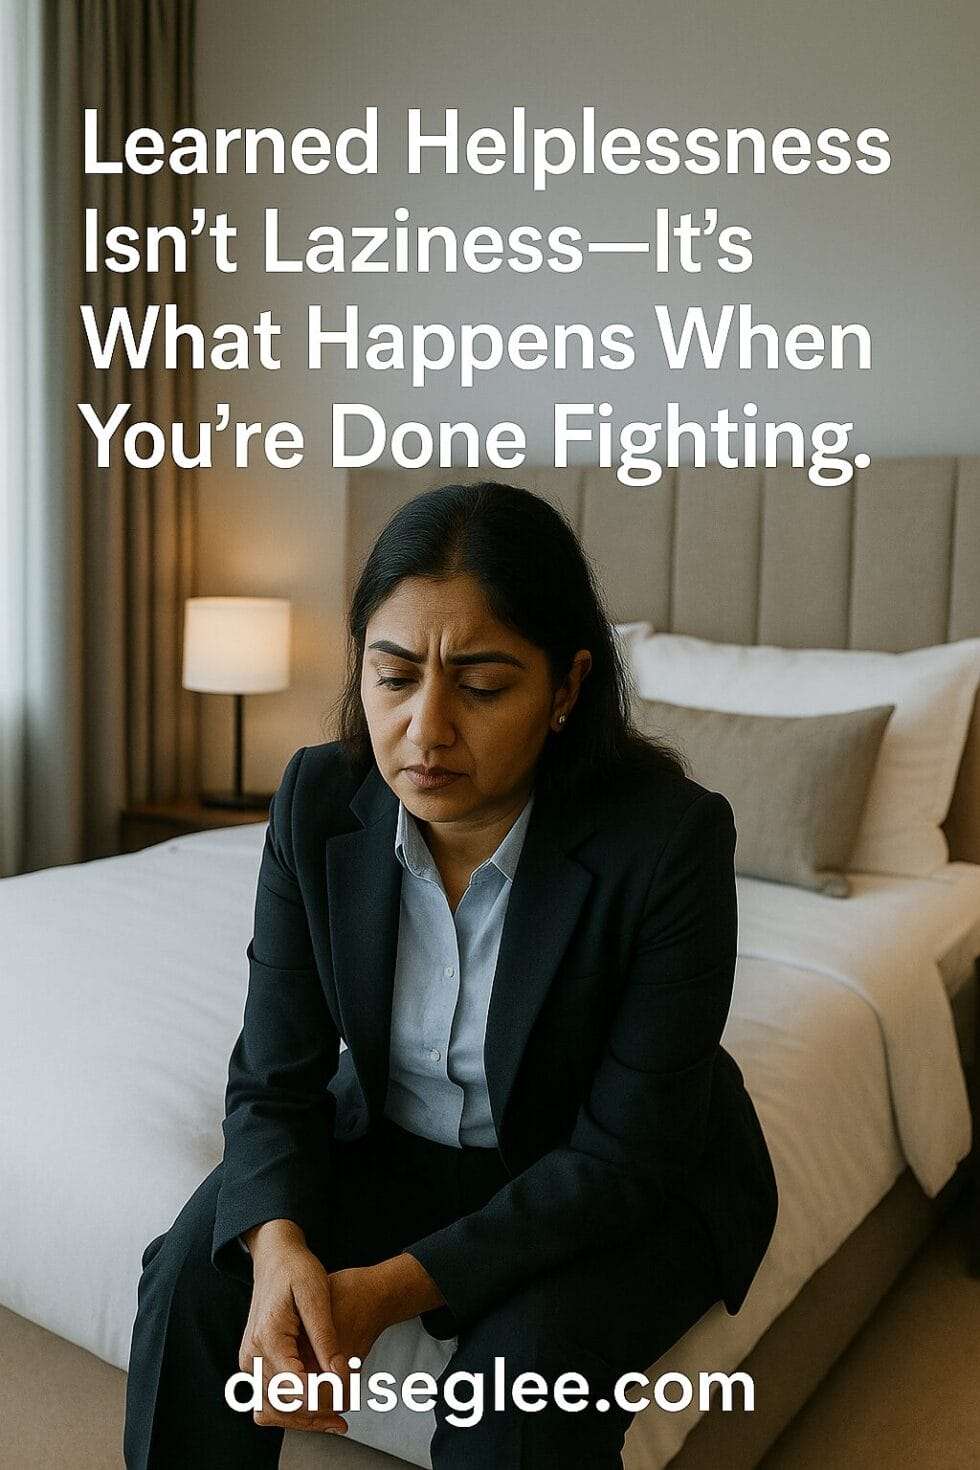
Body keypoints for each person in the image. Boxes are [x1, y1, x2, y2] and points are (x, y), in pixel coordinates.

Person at [124, 480, 778, 1469]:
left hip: (609, 1172)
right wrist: (279, 1248)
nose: (425, 730)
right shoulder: (319, 799)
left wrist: (382, 1290)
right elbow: (273, 1075)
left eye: (480, 687)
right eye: (392, 679)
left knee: (516, 1392)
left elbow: (623, 1159)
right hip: (398, 1137)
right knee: (192, 1281)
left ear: (564, 689)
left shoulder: (667, 839)